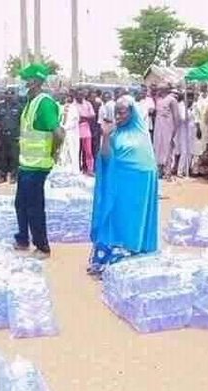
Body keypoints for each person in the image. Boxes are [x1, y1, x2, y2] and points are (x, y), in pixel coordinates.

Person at [88, 96, 159, 275]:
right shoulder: (114, 133)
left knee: (135, 218)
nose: (118, 116)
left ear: (132, 112)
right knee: (115, 215)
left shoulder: (141, 132)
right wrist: (105, 135)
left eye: (122, 112)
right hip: (119, 184)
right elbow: (105, 158)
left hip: (140, 185)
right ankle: (110, 255)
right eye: (116, 113)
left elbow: (148, 161)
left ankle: (134, 250)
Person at [13, 63, 64, 259]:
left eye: (24, 79)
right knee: (21, 203)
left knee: (34, 206)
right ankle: (23, 238)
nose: (21, 82)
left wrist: (53, 151)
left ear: (34, 81)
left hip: (38, 165)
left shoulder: (44, 103)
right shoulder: (30, 102)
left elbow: (59, 132)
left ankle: (42, 246)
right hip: (26, 163)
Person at [153, 85, 180, 178]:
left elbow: (176, 117)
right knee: (158, 148)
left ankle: (167, 171)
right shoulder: (158, 100)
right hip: (158, 127)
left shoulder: (172, 100)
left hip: (168, 127)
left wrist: (174, 131)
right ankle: (159, 169)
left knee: (167, 148)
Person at [175, 92, 197, 177]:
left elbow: (196, 118)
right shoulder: (181, 107)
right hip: (183, 131)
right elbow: (183, 118)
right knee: (184, 151)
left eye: (192, 98)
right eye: (188, 98)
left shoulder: (194, 107)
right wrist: (188, 110)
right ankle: (180, 171)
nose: (190, 100)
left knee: (190, 151)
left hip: (191, 131)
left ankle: (186, 170)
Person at [59, 91, 80, 173]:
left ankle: (74, 170)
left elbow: (75, 121)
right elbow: (60, 118)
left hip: (72, 133)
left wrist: (65, 127)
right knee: (63, 151)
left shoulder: (74, 108)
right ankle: (64, 168)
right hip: (63, 132)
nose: (67, 99)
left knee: (72, 151)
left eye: (68, 97)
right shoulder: (62, 107)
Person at [76, 89, 96, 175]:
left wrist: (82, 118)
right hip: (75, 131)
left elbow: (92, 116)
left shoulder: (88, 104)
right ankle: (77, 169)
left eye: (81, 95)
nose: (80, 97)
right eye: (78, 95)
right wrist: (84, 118)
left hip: (86, 131)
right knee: (76, 152)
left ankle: (89, 169)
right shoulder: (72, 105)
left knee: (88, 151)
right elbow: (75, 119)